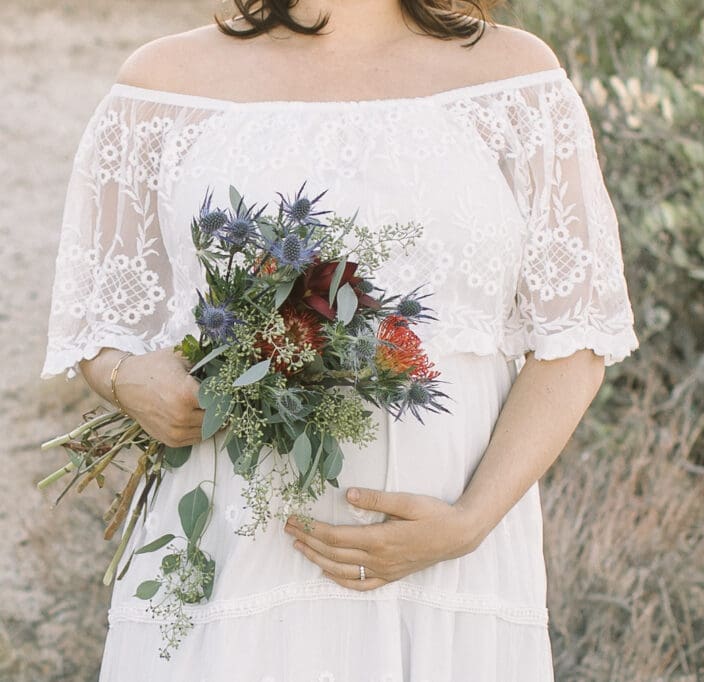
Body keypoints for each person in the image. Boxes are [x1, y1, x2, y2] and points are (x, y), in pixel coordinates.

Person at [41, 0, 639, 679]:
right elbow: (97, 325)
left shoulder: (515, 79)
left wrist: (470, 522)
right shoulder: (163, 85)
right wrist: (129, 380)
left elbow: (576, 340)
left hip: (449, 565)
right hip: (232, 552)